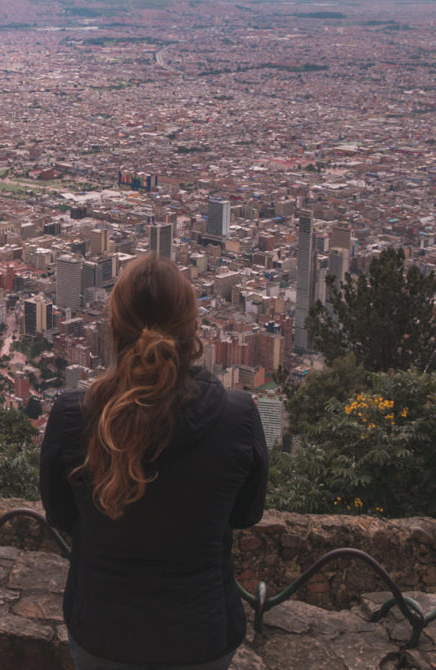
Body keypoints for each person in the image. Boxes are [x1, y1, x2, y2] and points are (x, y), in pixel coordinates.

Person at [39, 254, 269, 670]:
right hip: (202, 638)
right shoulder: (238, 418)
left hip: (101, 633)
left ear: (113, 327)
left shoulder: (74, 416)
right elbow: (246, 514)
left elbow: (61, 515)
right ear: (191, 327)